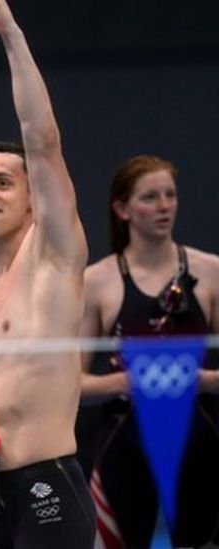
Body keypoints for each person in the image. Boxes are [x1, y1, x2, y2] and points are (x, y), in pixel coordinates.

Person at [0, 1, 96, 547]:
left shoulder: (53, 260)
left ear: (37, 201)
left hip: (47, 489)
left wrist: (11, 34)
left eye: (3, 183)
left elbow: (42, 140)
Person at [79, 155, 219, 547]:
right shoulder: (97, 281)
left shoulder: (210, 272)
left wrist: (205, 380)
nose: (163, 207)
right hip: (125, 443)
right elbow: (68, 382)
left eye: (170, 195)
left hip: (200, 439)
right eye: (150, 197)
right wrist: (123, 382)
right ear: (122, 209)